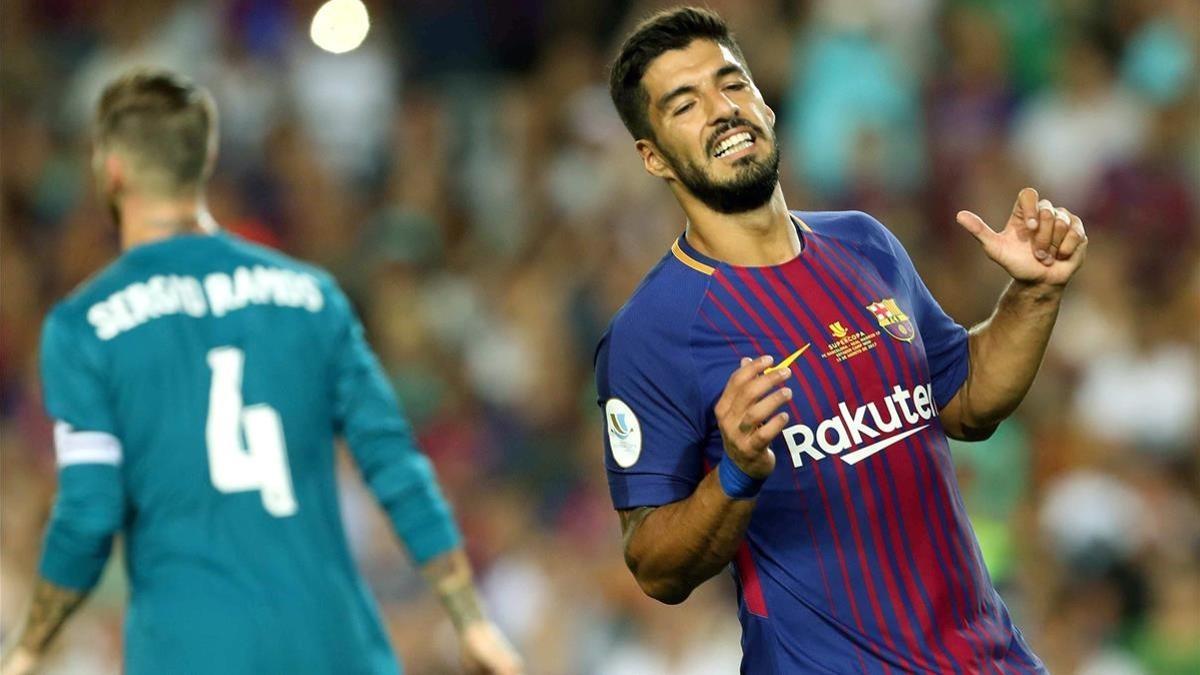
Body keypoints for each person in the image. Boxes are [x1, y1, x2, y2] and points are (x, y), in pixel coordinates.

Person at [597, 7, 1088, 673]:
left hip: (986, 658)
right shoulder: (651, 332)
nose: (722, 110)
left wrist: (1034, 292)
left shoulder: (865, 242)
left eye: (731, 84)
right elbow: (654, 564)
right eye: (685, 104)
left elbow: (966, 400)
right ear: (652, 155)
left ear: (766, 103)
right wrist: (734, 470)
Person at [0, 69, 523, 675]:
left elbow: (88, 516)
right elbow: (395, 466)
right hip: (334, 647)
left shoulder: (84, 326)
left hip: (191, 651)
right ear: (206, 159)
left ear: (110, 169)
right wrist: (471, 620)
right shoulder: (311, 295)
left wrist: (28, 647)